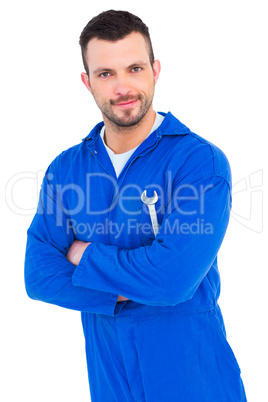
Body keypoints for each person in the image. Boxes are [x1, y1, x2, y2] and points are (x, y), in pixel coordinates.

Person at [25, 9, 247, 402]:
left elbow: (172, 280)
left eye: (135, 68)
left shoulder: (199, 163)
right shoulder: (67, 170)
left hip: (194, 381)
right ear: (87, 82)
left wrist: (85, 254)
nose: (123, 86)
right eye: (105, 74)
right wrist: (125, 287)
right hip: (110, 382)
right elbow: (39, 276)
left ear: (155, 70)